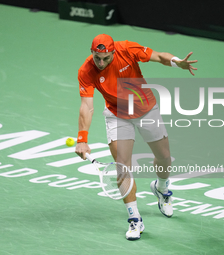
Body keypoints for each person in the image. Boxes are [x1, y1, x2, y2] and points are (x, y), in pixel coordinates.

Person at [75, 34, 197, 240]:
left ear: (113, 52)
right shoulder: (86, 71)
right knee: (122, 167)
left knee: (164, 157)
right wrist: (82, 139)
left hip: (146, 109)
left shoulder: (127, 49)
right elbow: (87, 105)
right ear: (92, 53)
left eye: (106, 58)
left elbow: (159, 57)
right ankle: (134, 218)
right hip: (117, 116)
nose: (102, 63)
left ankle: (162, 188)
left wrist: (177, 63)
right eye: (97, 58)